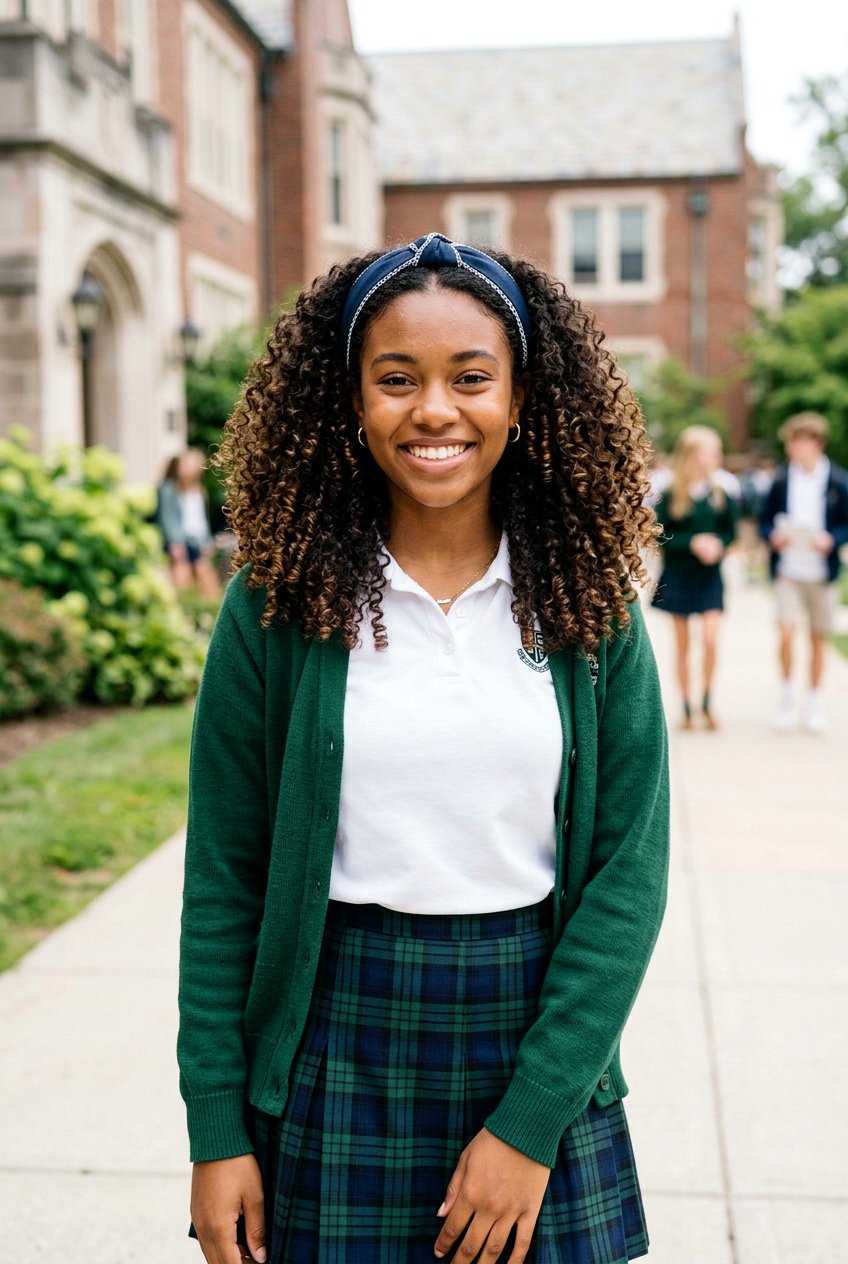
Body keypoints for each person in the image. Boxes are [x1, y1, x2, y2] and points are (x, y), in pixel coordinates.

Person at [178, 232, 670, 1264]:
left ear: (520, 398)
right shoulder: (274, 608)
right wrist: (216, 1125)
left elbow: (626, 877)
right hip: (334, 1041)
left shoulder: (588, 609)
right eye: (394, 379)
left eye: (469, 378)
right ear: (351, 402)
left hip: (535, 1035)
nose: (434, 410)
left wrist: (530, 1121)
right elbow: (224, 878)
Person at [759, 412, 848, 733]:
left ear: (817, 444)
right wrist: (773, 535)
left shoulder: (837, 481)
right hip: (788, 569)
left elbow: (845, 524)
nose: (796, 450)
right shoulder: (782, 481)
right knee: (785, 631)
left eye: (801, 443)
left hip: (821, 571)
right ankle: (786, 697)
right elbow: (764, 519)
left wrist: (832, 539)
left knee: (817, 638)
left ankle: (813, 702)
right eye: (792, 444)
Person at [651, 425, 738, 729]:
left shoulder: (721, 493)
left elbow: (731, 532)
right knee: (683, 644)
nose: (717, 457)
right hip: (678, 575)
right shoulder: (671, 493)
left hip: (709, 577)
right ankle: (687, 706)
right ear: (692, 455)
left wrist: (719, 544)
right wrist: (692, 543)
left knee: (712, 640)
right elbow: (660, 537)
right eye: (711, 452)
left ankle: (707, 699)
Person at [156, 448, 220, 598]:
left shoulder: (200, 490)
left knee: (207, 580)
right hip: (179, 542)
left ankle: (207, 613)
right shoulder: (169, 489)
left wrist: (207, 541)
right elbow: (167, 518)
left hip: (198, 540)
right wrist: (175, 542)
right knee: (181, 582)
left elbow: (201, 519)